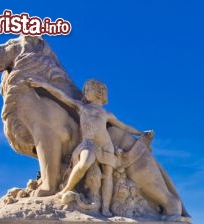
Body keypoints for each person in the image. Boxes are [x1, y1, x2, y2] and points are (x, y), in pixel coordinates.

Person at [26, 77, 151, 216]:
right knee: (84, 163)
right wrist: (43, 84)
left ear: (98, 92)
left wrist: (140, 132)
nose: (84, 92)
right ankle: (66, 189)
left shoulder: (106, 113)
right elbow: (61, 96)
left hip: (106, 145)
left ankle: (105, 208)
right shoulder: (82, 106)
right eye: (84, 89)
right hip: (88, 143)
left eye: (88, 89)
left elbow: (124, 126)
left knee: (108, 176)